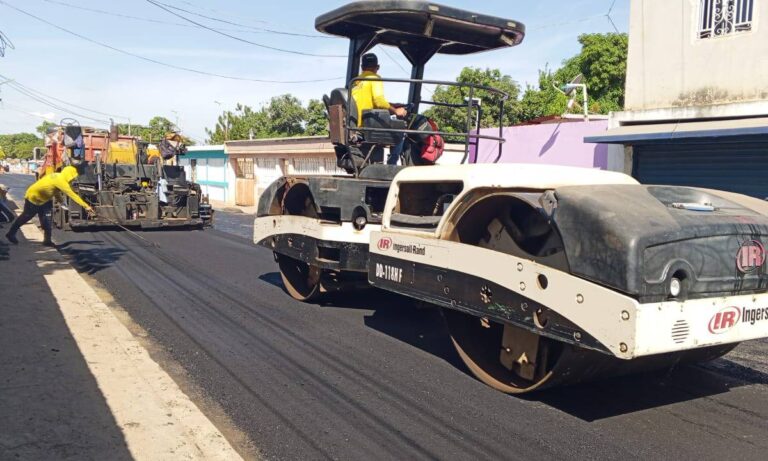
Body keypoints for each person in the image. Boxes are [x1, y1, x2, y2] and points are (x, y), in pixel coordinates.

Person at [5, 166, 94, 246]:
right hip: (33, 198)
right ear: (68, 175)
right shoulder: (61, 181)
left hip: (45, 200)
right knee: (25, 217)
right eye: (72, 177)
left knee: (47, 220)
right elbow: (72, 195)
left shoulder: (57, 176)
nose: (72, 180)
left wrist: (62, 202)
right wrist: (86, 206)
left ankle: (47, 241)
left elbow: (56, 191)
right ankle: (11, 233)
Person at [351, 53, 408, 164]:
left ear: (362, 67)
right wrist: (396, 110)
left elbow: (369, 100)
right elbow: (379, 101)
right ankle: (392, 164)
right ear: (377, 67)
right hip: (367, 127)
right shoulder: (374, 78)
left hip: (355, 125)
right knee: (401, 130)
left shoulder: (356, 81)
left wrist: (391, 104)